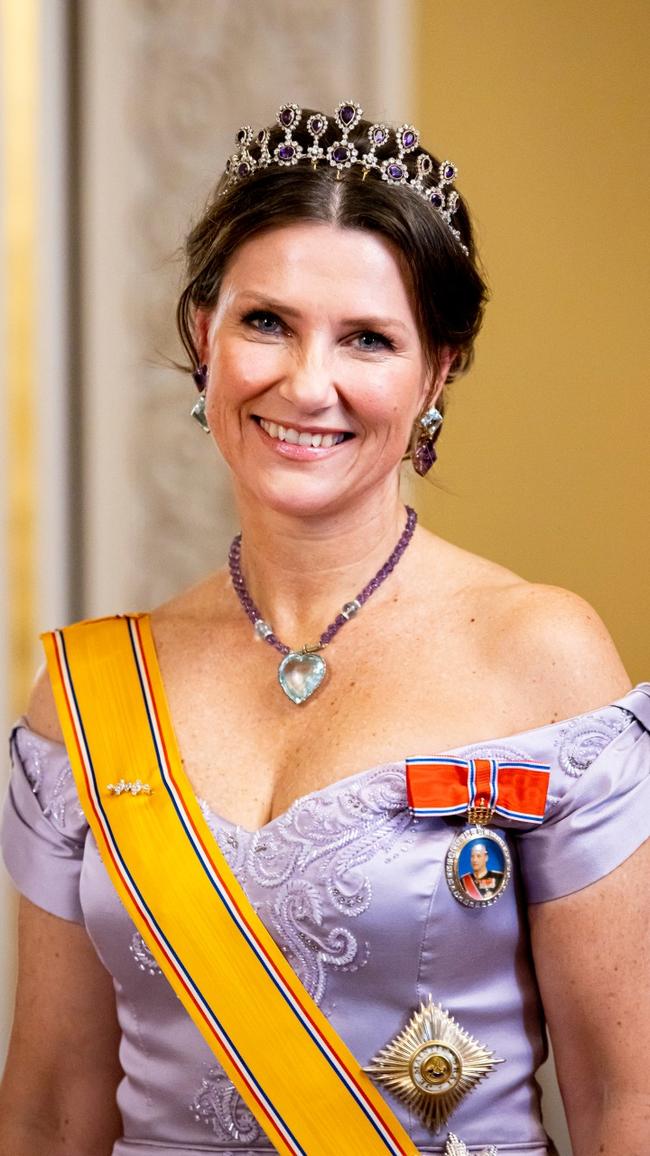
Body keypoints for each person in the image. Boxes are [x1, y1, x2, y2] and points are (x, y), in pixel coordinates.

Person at [0, 100, 648, 1156]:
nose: (307, 383)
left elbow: (628, 1101)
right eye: (266, 322)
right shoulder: (85, 695)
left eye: (367, 339)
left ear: (437, 370)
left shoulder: (539, 657)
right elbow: (48, 1106)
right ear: (203, 332)